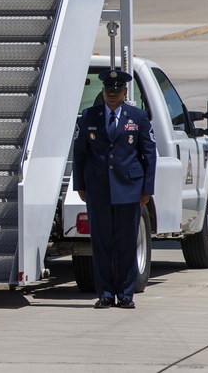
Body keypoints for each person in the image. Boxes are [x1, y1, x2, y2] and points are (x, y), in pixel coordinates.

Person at [72, 69, 157, 310]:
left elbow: (149, 154)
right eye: (108, 89)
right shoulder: (89, 116)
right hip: (98, 190)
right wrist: (80, 185)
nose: (112, 94)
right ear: (103, 91)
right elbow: (79, 153)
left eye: (117, 90)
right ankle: (106, 294)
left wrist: (147, 189)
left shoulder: (137, 117)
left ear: (124, 92)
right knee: (101, 244)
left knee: (127, 243)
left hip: (129, 189)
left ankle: (126, 294)